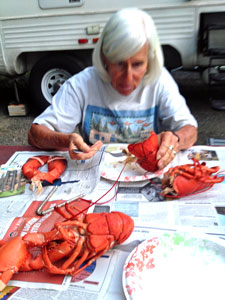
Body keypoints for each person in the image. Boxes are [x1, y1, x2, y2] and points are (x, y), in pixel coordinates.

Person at [28, 8, 198, 170]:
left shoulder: (160, 80)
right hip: (97, 173)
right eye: (119, 63)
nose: (128, 77)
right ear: (104, 57)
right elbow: (35, 134)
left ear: (150, 59)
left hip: (146, 171)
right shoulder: (81, 84)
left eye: (138, 64)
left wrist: (176, 139)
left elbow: (190, 129)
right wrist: (66, 140)